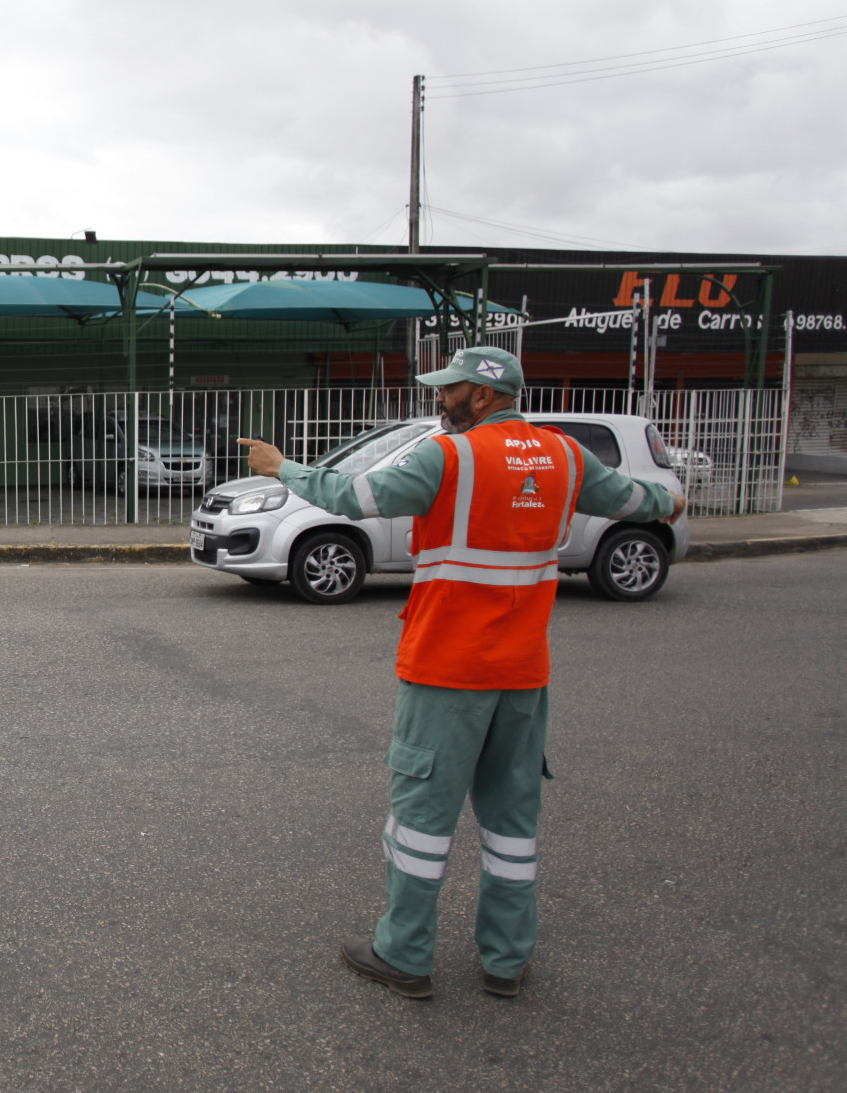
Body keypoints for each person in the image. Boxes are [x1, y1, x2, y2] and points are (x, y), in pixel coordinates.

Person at [237, 346, 685, 1000]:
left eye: (450, 390)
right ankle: (507, 961)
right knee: (512, 824)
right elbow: (632, 497)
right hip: (524, 675)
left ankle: (405, 954)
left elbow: (351, 495)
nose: (439, 400)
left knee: (420, 819)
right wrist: (670, 500)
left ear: (482, 395)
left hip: (448, 670)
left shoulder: (447, 457)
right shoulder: (564, 456)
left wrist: (282, 467)